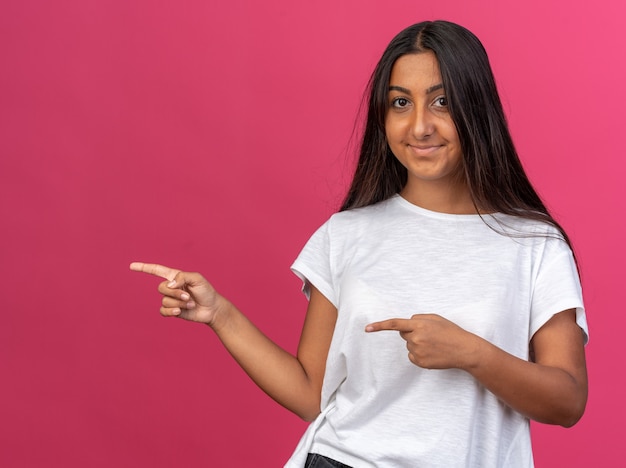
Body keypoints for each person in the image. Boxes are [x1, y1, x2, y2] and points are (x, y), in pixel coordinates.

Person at [130, 20, 588, 468]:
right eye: (401, 103)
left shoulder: (534, 244)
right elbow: (311, 393)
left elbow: (567, 401)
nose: (420, 126)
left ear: (477, 107)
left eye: (442, 101)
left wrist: (473, 354)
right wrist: (220, 314)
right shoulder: (346, 234)